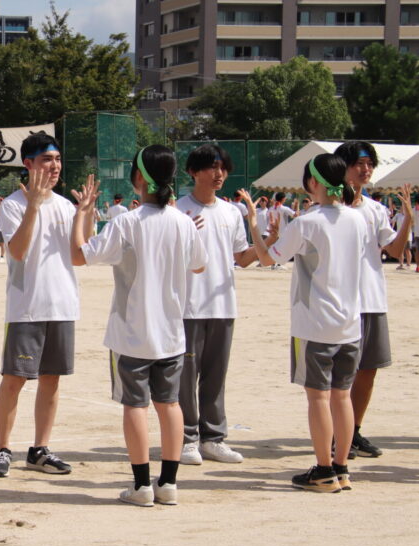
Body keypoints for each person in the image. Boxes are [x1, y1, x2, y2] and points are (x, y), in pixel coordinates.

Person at [72, 146, 206, 507]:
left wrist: (81, 215)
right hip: (171, 332)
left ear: (138, 178)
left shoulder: (127, 222)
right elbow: (199, 265)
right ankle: (169, 483)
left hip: (131, 333)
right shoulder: (182, 221)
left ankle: (142, 485)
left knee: (135, 406)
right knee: (170, 404)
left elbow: (78, 256)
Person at [239, 153, 368, 492]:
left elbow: (267, 259)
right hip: (350, 323)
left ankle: (323, 469)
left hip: (314, 324)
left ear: (312, 183)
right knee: (342, 397)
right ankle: (341, 467)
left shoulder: (307, 222)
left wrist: (254, 225)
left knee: (319, 399)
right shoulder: (357, 219)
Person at [0, 132, 79, 479]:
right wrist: (34, 206)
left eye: (57, 159)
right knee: (14, 379)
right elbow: (18, 250)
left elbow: (79, 252)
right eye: (46, 160)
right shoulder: (12, 205)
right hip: (26, 307)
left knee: (51, 380)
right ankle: (2, 448)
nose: (54, 166)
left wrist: (84, 213)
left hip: (62, 304)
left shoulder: (66, 206)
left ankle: (40, 449)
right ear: (28, 164)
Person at [176, 145, 260, 466]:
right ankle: (186, 439)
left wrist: (268, 240)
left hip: (223, 306)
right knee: (186, 377)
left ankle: (213, 438)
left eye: (223, 167)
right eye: (212, 167)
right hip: (188, 306)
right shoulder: (178, 210)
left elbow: (242, 258)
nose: (219, 173)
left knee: (215, 376)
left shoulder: (231, 212)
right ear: (193, 172)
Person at [334, 141, 413, 459]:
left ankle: (353, 432)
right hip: (339, 302)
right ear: (342, 167)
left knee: (368, 369)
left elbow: (394, 250)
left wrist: (406, 220)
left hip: (372, 299)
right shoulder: (329, 209)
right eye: (359, 164)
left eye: (369, 164)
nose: (365, 170)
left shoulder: (376, 209)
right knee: (340, 374)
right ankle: (336, 434)